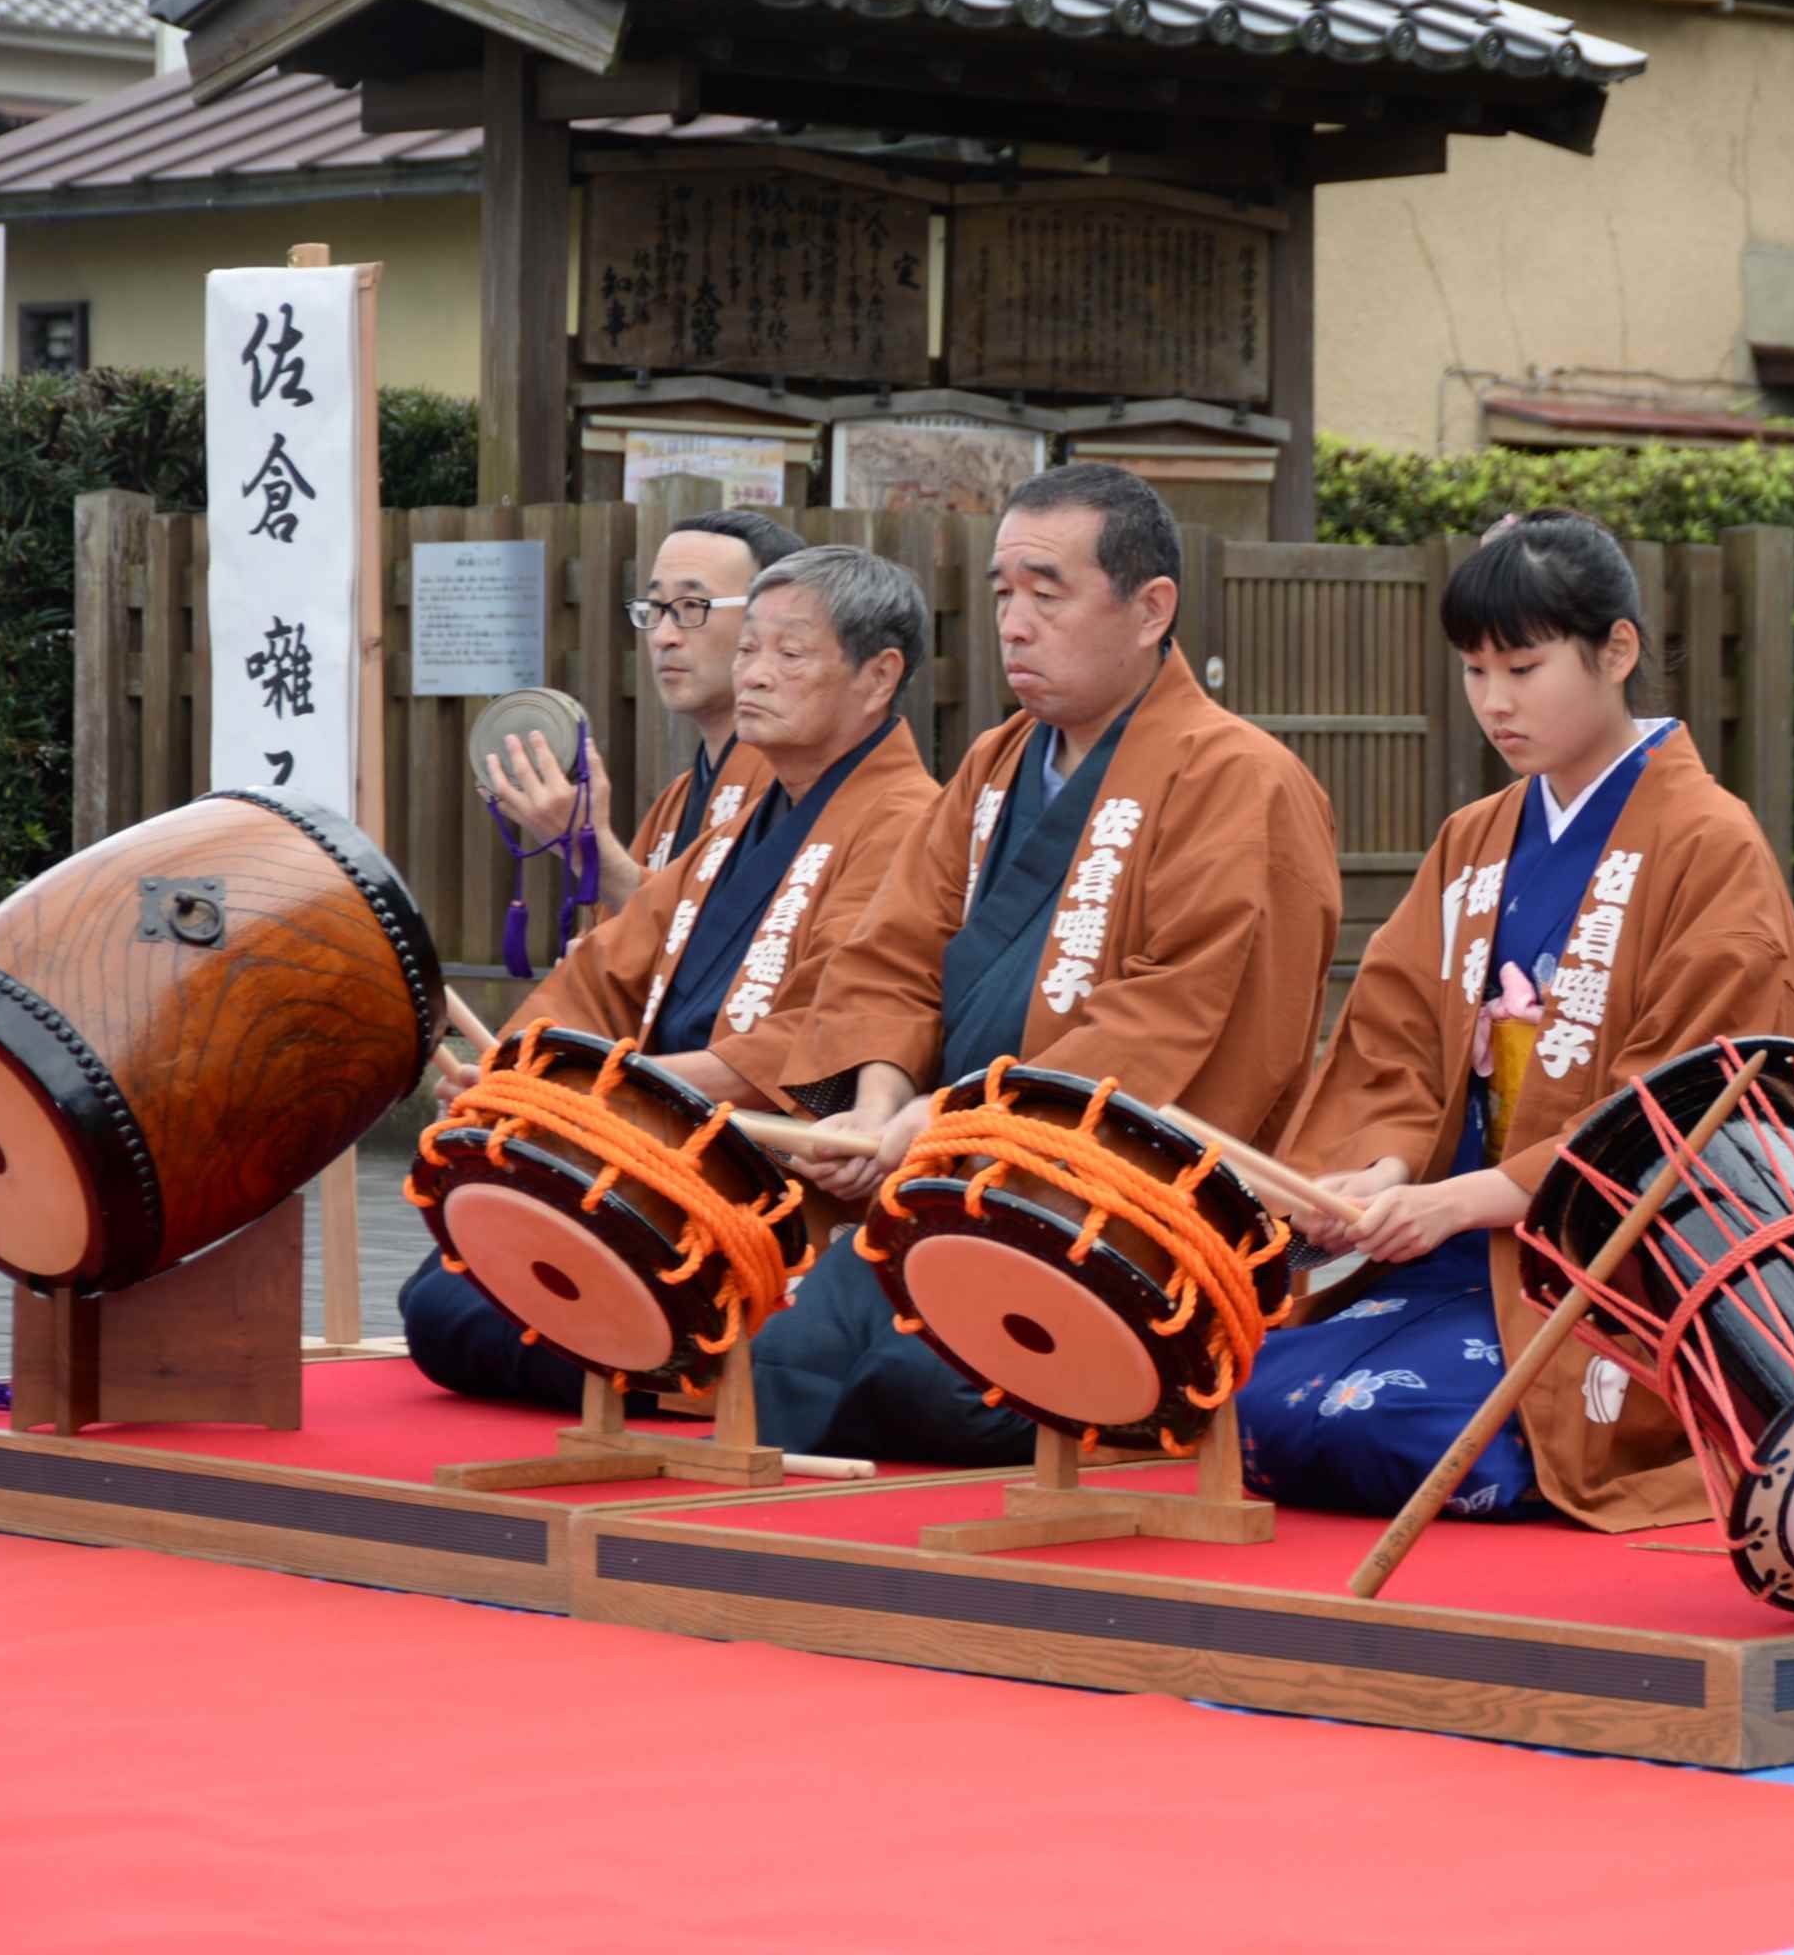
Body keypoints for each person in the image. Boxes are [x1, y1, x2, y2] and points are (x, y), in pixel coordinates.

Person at [1231, 509, 1794, 1532]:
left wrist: (1471, 1198)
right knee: (1263, 1402)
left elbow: (1686, 1104)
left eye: (1522, 667)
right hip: (1457, 1252)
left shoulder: (1708, 843)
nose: (1493, 703)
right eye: (1473, 671)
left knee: (1386, 1424)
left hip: (1612, 1272)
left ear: (1616, 650)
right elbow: (1394, 1037)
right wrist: (1378, 1172)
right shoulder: (1474, 839)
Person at [753, 463, 1342, 1462]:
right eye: (1001, 593)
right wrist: (876, 1100)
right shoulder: (992, 764)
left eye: (1046, 590)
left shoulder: (1241, 778)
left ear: (1151, 606)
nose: (1014, 623)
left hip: (1114, 1212)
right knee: (782, 1359)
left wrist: (936, 1120)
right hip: (946, 1183)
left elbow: (1172, 1017)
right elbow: (892, 950)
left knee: (929, 1390)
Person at [401, 545, 942, 1409]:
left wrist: (596, 1093)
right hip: (646, 1155)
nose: (754, 674)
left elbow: (816, 1037)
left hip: (754, 1182)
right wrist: (511, 1077)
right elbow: (606, 975)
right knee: (449, 1291)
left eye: (788, 654)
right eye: (751, 649)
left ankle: (689, 1365)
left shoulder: (911, 820)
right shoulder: (740, 819)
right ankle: (665, 1360)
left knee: (458, 1309)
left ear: (878, 677)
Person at [478, 509, 806, 918]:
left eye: (691, 606)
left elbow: (720, 945)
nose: (664, 637)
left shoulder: (795, 788)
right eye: (654, 607)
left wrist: (588, 848)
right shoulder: (676, 799)